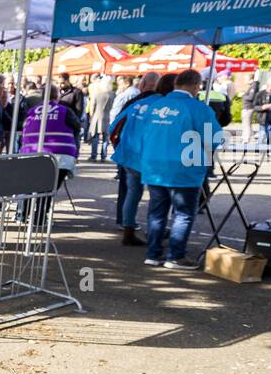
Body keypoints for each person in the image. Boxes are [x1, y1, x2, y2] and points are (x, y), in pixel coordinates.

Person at [119, 69, 223, 268]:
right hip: (184, 168)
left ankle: (153, 254)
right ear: (196, 86)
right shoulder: (198, 108)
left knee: (157, 212)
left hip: (153, 166)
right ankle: (176, 256)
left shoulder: (155, 106)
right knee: (183, 213)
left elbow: (142, 135)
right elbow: (214, 139)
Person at [109, 72, 160, 245]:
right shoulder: (163, 105)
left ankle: (128, 229)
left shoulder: (135, 103)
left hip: (130, 155)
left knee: (132, 193)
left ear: (143, 84)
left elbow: (113, 127)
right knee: (157, 197)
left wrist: (119, 146)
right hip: (152, 157)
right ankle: (154, 233)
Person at [86, 75, 115, 161]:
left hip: (97, 116)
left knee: (95, 137)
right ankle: (103, 156)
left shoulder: (97, 93)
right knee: (105, 138)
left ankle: (93, 155)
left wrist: (91, 117)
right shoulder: (112, 94)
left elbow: (92, 106)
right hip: (108, 116)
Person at [239, 76, 263, 144]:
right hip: (247, 107)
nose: (245, 81)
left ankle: (246, 139)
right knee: (247, 124)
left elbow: (251, 97)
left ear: (251, 79)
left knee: (246, 124)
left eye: (246, 79)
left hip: (248, 107)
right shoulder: (253, 86)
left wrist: (243, 95)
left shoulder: (253, 86)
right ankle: (248, 137)